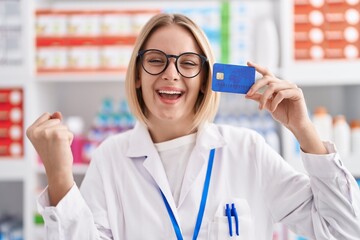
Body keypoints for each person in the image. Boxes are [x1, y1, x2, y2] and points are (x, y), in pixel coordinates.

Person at [26, 13, 360, 240]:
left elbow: (344, 230)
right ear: (138, 74)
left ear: (205, 80)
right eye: (156, 60)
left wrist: (304, 129)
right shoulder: (111, 158)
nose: (171, 73)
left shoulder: (247, 150)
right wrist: (59, 177)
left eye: (187, 63)